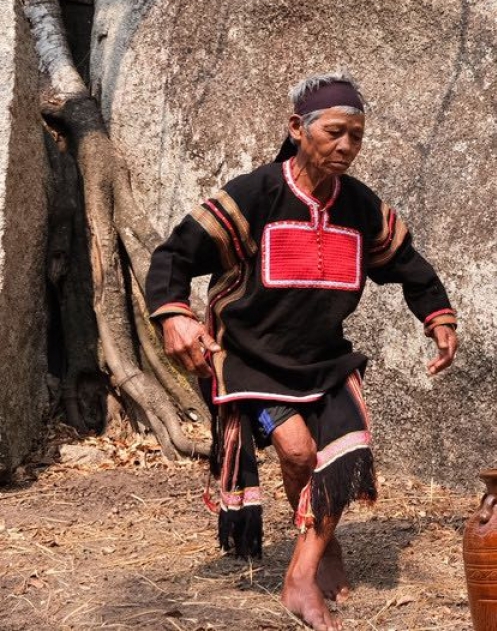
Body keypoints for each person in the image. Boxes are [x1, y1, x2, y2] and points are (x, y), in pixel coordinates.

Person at [147, 72, 459, 631]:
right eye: (335, 132)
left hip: (323, 356)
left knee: (345, 451)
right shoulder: (254, 195)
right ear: (297, 129)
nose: (346, 146)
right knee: (295, 451)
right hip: (249, 355)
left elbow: (407, 263)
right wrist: (175, 313)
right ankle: (318, 549)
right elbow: (174, 254)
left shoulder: (362, 208)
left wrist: (438, 318)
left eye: (357, 137)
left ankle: (302, 573)